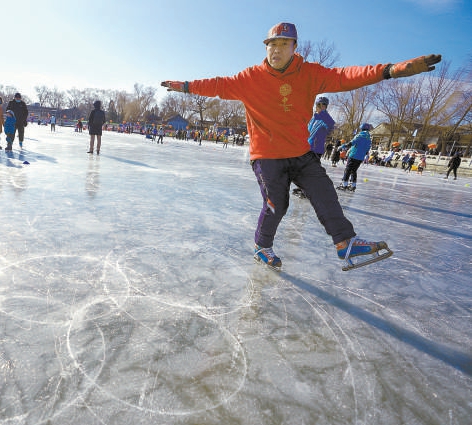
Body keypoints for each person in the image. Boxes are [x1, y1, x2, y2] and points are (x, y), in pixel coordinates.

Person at [161, 21, 440, 271]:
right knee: (277, 205)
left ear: (295, 47)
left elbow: (345, 77)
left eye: (284, 44)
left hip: (300, 151)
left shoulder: (309, 73)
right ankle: (262, 247)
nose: (277, 50)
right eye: (272, 44)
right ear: (266, 47)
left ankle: (346, 243)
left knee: (324, 191)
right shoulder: (250, 79)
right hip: (267, 155)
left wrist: (389, 71)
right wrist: (184, 86)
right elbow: (216, 85)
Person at [293, 95, 335, 198]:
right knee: (301, 169)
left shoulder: (325, 118)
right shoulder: (314, 118)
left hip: (316, 149)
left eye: (323, 105)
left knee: (309, 171)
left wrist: (323, 113)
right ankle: (302, 187)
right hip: (307, 147)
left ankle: (308, 191)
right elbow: (307, 130)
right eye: (318, 104)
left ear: (326, 106)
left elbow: (330, 126)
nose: (320, 106)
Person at [336, 123, 372, 192]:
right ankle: (353, 185)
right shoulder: (369, 139)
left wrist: (342, 146)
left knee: (348, 169)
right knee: (354, 171)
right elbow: (367, 149)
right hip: (360, 157)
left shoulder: (360, 136)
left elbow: (351, 143)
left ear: (361, 128)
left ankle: (344, 184)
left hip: (353, 155)